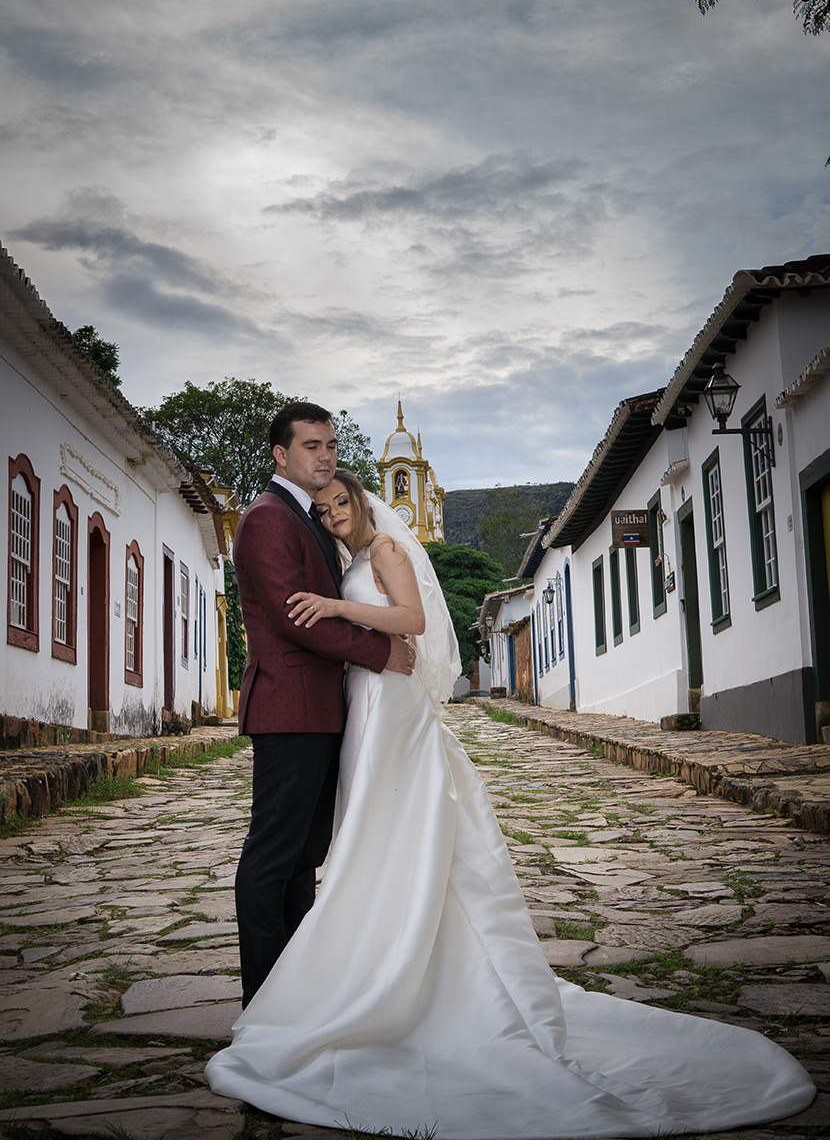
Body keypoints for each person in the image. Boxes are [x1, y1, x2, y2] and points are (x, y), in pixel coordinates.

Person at [209, 470, 815, 1139]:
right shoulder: (348, 558)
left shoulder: (383, 549)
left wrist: (337, 608)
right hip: (366, 702)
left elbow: (412, 622)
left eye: (341, 502)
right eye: (323, 510)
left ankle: (396, 960)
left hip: (390, 704)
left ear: (361, 499)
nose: (332, 515)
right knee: (367, 827)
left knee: (392, 823)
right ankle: (365, 955)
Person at [231, 406, 414, 1007]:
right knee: (273, 855)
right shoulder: (267, 517)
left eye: (331, 445)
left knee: (304, 856)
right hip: (289, 708)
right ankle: (263, 1001)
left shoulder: (306, 516)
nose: (326, 455)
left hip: (320, 709)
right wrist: (379, 652)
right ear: (281, 455)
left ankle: (295, 990)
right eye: (311, 446)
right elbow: (295, 617)